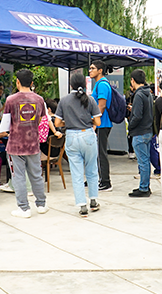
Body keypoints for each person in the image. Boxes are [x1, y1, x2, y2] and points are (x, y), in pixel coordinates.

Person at [1, 69, 49, 218]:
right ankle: (41, 205)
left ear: (17, 82)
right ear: (32, 83)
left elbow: (5, 125)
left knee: (19, 177)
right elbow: (42, 119)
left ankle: (23, 208)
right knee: (36, 175)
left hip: (15, 145)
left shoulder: (10, 100)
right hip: (33, 144)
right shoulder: (39, 99)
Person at [55, 73, 102, 216]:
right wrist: (88, 121)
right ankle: (93, 201)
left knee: (76, 173)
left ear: (71, 85)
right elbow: (98, 122)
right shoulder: (91, 100)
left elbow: (57, 123)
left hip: (71, 137)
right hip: (88, 135)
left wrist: (68, 122)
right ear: (86, 84)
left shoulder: (64, 100)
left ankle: (82, 206)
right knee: (92, 169)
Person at [128, 69, 155, 197]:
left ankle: (144, 188)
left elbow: (137, 116)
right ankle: (145, 186)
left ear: (133, 80)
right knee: (146, 160)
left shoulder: (138, 95)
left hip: (139, 132)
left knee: (143, 161)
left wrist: (130, 127)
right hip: (148, 130)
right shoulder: (148, 93)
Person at [89, 60, 114, 191]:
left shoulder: (102, 85)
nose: (90, 70)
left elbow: (102, 105)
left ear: (100, 70)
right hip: (100, 124)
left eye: (93, 68)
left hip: (102, 124)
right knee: (96, 153)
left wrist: (94, 122)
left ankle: (106, 182)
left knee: (101, 153)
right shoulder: (99, 84)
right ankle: (96, 178)